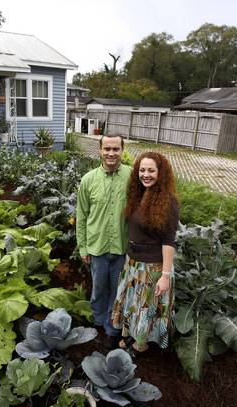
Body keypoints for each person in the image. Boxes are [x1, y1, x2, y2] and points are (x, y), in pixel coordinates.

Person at [111, 151, 179, 354]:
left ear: (161, 173)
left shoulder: (168, 202)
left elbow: (169, 242)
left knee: (146, 307)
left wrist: (165, 276)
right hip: (133, 263)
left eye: (151, 170)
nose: (146, 175)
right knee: (133, 303)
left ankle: (142, 343)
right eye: (142, 170)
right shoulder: (138, 195)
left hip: (153, 267)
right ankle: (131, 334)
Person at [76, 134, 132, 348]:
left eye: (115, 149)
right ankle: (98, 320)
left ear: (122, 150)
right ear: (100, 150)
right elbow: (82, 216)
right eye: (107, 149)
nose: (111, 153)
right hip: (96, 246)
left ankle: (111, 329)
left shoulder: (132, 177)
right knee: (99, 289)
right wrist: (83, 248)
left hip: (122, 246)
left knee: (117, 291)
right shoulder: (88, 180)